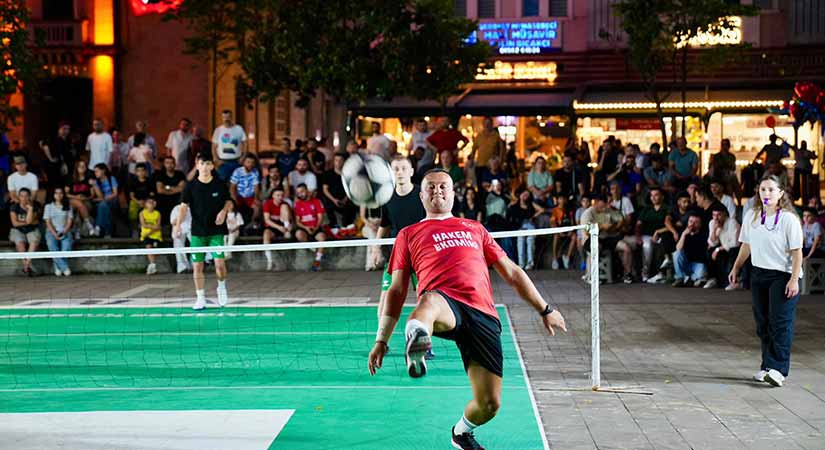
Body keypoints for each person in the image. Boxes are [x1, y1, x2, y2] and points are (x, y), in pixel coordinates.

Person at [367, 168, 567, 450]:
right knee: (430, 300)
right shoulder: (408, 234)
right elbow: (397, 290)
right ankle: (418, 334)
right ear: (421, 195)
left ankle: (460, 433)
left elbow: (511, 272)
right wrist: (382, 339)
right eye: (431, 187)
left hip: (483, 313)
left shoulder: (475, 228)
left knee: (489, 403)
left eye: (443, 186)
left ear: (453, 193)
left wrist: (545, 309)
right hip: (445, 304)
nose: (437, 191)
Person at [729, 174, 803, 388]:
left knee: (780, 323)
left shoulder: (789, 219)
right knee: (763, 322)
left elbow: (797, 252)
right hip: (759, 274)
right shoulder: (752, 215)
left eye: (771, 190)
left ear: (781, 193)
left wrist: (794, 280)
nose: (766, 194)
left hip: (783, 275)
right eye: (763, 190)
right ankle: (767, 366)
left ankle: (779, 370)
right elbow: (746, 245)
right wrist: (736, 267)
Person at [175, 150, 233, 310]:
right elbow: (183, 207)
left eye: (208, 164)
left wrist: (224, 211)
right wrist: (178, 225)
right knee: (197, 266)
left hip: (217, 231)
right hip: (198, 232)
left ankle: (221, 287)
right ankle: (200, 297)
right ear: (197, 165)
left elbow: (229, 202)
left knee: (220, 264)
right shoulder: (191, 186)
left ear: (212, 166)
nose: (205, 167)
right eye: (202, 164)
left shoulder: (219, 184)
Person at [373, 156, 427, 329]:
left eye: (404, 168)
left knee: (425, 297)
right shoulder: (387, 197)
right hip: (396, 255)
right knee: (386, 295)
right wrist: (375, 248)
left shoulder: (422, 195)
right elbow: (384, 225)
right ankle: (381, 339)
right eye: (396, 169)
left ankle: (424, 340)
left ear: (411, 172)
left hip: (420, 255)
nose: (400, 172)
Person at [627, 186, 670, 282]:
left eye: (656, 195)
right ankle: (645, 274)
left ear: (662, 197)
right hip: (646, 235)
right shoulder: (646, 209)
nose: (653, 198)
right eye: (651, 195)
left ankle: (660, 274)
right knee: (647, 245)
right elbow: (638, 225)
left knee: (660, 244)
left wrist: (658, 233)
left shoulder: (666, 208)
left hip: (662, 235)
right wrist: (638, 237)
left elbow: (670, 224)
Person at [705, 203, 740, 289]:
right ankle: (713, 279)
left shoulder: (732, 222)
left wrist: (718, 249)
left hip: (734, 249)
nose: (716, 218)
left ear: (724, 214)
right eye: (714, 215)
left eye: (719, 215)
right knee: (709, 251)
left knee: (732, 251)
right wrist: (714, 230)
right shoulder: (712, 223)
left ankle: (733, 282)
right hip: (722, 248)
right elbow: (712, 242)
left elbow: (735, 243)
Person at [508, 189, 545, 270]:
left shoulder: (531, 204)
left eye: (527, 195)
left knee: (530, 241)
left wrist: (534, 216)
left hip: (530, 225)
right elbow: (509, 211)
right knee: (520, 241)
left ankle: (530, 263)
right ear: (520, 195)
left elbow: (542, 210)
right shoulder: (515, 205)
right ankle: (521, 264)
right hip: (520, 227)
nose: (525, 196)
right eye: (524, 194)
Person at [293, 183, 327, 271]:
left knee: (322, 237)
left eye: (302, 191)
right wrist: (306, 228)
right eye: (298, 193)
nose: (300, 194)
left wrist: (316, 227)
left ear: (307, 191)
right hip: (304, 228)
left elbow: (320, 217)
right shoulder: (297, 204)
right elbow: (297, 221)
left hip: (316, 227)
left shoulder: (316, 201)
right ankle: (313, 250)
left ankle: (317, 261)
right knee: (298, 234)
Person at [321, 152, 357, 230]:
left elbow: (351, 188)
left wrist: (345, 199)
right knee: (326, 202)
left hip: (345, 197)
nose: (338, 162)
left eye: (340, 160)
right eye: (336, 160)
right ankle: (333, 224)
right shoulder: (327, 174)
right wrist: (334, 200)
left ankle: (347, 225)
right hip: (332, 198)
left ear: (344, 162)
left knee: (352, 203)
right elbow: (325, 189)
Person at [9, 187, 40, 276]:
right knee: (20, 243)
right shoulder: (14, 207)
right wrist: (27, 222)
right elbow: (15, 223)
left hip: (31, 229)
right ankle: (27, 266)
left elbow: (31, 221)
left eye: (26, 196)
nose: (24, 198)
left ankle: (26, 267)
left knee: (34, 241)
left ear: (29, 196)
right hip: (17, 230)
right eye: (22, 196)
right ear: (19, 197)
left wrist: (30, 209)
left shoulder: (35, 206)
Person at [43, 186, 74, 277]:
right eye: (56, 193)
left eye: (60, 193)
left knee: (67, 247)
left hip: (65, 230)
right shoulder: (48, 207)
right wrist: (54, 233)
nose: (58, 195)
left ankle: (57, 266)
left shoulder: (68, 206)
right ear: (53, 195)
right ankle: (64, 267)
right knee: (52, 245)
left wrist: (64, 232)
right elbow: (48, 222)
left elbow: (69, 221)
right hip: (51, 231)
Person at [671, 213, 708, 287]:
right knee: (676, 254)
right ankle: (680, 278)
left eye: (696, 222)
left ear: (700, 224)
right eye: (690, 221)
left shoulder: (704, 235)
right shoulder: (683, 233)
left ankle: (689, 279)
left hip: (697, 264)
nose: (692, 224)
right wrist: (684, 235)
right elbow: (678, 249)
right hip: (685, 263)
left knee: (702, 271)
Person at [211, 110, 247, 180]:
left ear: (232, 117)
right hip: (223, 162)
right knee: (222, 183)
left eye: (228, 117)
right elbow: (213, 146)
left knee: (237, 182)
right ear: (222, 118)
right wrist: (216, 159)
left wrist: (243, 157)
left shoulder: (239, 129)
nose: (226, 119)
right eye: (224, 117)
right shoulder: (218, 130)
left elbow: (245, 143)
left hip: (236, 161)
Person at [263, 187, 292, 271]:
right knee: (266, 234)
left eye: (282, 195)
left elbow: (291, 219)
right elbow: (267, 220)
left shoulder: (285, 204)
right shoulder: (267, 203)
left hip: (284, 226)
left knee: (284, 206)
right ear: (273, 196)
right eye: (278, 195)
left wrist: (289, 227)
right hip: (274, 226)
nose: (280, 197)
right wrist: (279, 227)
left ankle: (287, 232)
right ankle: (270, 261)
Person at [229, 153, 261, 231]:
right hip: (239, 196)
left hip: (250, 196)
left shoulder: (255, 172)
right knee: (231, 206)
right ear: (244, 162)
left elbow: (256, 187)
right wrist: (234, 198)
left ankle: (254, 225)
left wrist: (256, 198)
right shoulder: (237, 171)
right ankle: (235, 227)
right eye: (248, 162)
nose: (250, 164)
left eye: (252, 162)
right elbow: (232, 187)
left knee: (258, 206)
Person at [67, 160, 96, 237]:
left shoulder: (89, 179)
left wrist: (86, 198)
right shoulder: (71, 179)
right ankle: (89, 225)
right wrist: (76, 197)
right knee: (78, 203)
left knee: (80, 207)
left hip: (85, 201)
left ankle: (77, 231)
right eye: (80, 166)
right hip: (72, 201)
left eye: (84, 166)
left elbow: (92, 195)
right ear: (76, 168)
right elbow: (66, 194)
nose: (82, 168)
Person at [154, 156, 187, 225]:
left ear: (175, 164)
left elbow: (182, 188)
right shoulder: (160, 175)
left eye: (171, 163)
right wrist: (175, 188)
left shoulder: (180, 174)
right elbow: (160, 190)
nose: (169, 165)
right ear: (164, 164)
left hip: (177, 200)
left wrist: (167, 187)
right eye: (167, 163)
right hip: (163, 201)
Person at [91, 163, 118, 238]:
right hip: (102, 201)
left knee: (102, 205)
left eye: (97, 171)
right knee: (104, 207)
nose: (95, 173)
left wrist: (104, 199)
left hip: (112, 200)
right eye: (94, 172)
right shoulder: (96, 181)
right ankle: (108, 232)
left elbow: (115, 194)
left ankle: (98, 226)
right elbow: (99, 196)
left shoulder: (111, 178)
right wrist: (94, 185)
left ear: (103, 171)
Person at [127, 163, 154, 237]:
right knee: (132, 208)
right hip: (136, 201)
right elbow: (131, 196)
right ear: (136, 172)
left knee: (150, 206)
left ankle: (148, 230)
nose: (141, 173)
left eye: (142, 171)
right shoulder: (132, 181)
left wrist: (145, 202)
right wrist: (138, 202)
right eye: (138, 171)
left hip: (147, 201)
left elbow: (151, 194)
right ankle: (134, 229)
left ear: (146, 172)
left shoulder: (150, 181)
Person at [139, 196, 162, 275]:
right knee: (149, 247)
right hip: (146, 235)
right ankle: (152, 265)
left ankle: (152, 265)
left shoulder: (157, 213)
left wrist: (150, 230)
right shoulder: (142, 213)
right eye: (149, 202)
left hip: (156, 235)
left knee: (156, 250)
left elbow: (158, 226)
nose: (151, 204)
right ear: (145, 204)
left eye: (152, 202)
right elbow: (143, 224)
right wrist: (153, 228)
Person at [170, 203, 192, 274]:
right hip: (179, 230)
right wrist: (181, 216)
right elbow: (172, 222)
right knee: (178, 245)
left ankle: (195, 265)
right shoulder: (176, 208)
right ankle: (182, 267)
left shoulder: (193, 207)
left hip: (191, 229)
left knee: (196, 244)